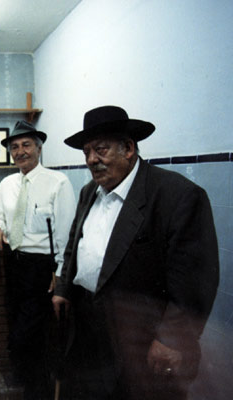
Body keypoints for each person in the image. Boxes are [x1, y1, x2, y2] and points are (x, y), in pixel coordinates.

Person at [52, 105, 219, 400]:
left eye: (101, 150)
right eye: (87, 152)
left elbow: (195, 280)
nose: (91, 160)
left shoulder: (176, 195)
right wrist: (64, 288)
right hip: (88, 328)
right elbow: (74, 244)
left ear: (128, 148)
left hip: (142, 338)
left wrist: (171, 338)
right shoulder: (89, 192)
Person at [0, 120, 76, 399]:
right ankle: (29, 382)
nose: (20, 151)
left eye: (26, 145)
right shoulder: (7, 184)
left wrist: (60, 274)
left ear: (39, 148)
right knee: (17, 322)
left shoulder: (58, 183)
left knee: (32, 332)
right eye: (14, 147)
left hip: (43, 267)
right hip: (14, 263)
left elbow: (66, 234)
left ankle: (38, 389)